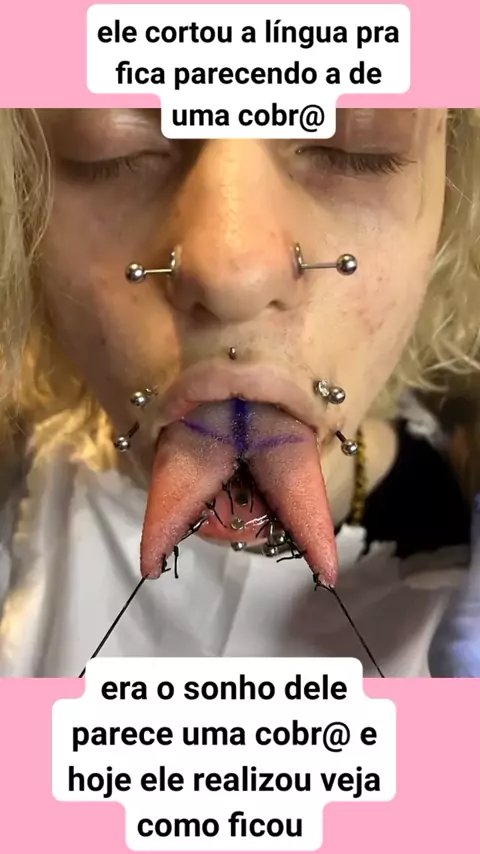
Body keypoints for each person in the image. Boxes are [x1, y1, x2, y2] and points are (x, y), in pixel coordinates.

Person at [0, 107, 478, 678]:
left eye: (357, 145)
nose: (232, 276)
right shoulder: (17, 491)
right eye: (112, 144)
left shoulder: (453, 540)